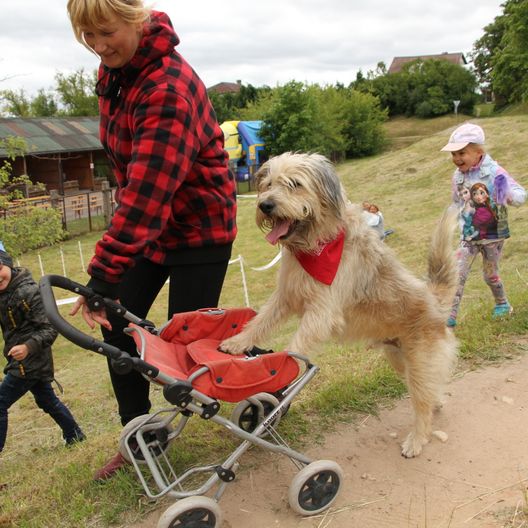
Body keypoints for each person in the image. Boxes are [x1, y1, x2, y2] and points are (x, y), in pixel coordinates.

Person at [66, 0, 237, 480]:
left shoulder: (167, 88)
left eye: (106, 32)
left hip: (199, 229)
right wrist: (109, 280)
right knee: (117, 330)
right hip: (151, 230)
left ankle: (262, 381)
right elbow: (134, 184)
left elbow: (146, 191)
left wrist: (102, 272)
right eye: (88, 37)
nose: (99, 47)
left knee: (188, 348)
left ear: (135, 18)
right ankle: (140, 438)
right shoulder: (115, 73)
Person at [441, 123, 526, 327]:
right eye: (453, 154)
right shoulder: (458, 176)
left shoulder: (495, 171)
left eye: (462, 152)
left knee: (490, 274)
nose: (456, 158)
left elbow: (520, 195)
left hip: (492, 235)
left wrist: (508, 194)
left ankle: (502, 303)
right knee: (457, 272)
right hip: (469, 235)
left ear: (478, 151)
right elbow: (456, 201)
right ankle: (448, 317)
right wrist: (449, 216)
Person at [0, 249, 85, 453]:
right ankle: (75, 435)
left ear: (8, 264)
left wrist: (27, 347)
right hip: (20, 359)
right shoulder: (3, 293)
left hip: (30, 361)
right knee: (47, 400)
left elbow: (50, 328)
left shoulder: (29, 292)